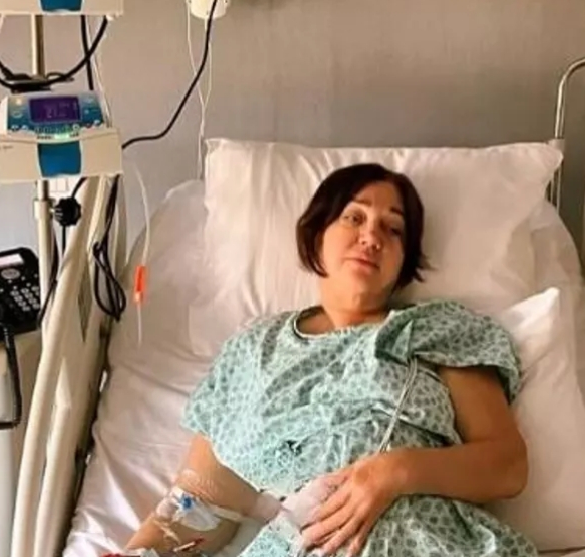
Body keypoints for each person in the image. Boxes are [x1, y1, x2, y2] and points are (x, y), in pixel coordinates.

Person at [127, 163, 537, 557]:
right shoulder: (253, 350)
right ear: (316, 233)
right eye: (354, 218)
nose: (371, 236)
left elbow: (507, 465)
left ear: (404, 259)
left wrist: (396, 471)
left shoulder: (437, 329)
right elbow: (199, 502)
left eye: (393, 229)